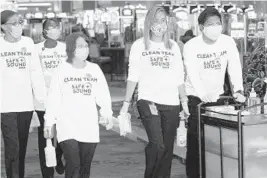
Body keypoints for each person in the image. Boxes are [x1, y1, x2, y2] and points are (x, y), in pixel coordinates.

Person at [119, 5, 189, 178]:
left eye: (163, 21)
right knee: (158, 145)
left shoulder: (173, 46)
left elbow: (179, 76)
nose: (160, 24)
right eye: (156, 20)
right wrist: (125, 104)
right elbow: (133, 75)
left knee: (167, 150)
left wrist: (184, 102)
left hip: (172, 103)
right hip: (148, 100)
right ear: (149, 22)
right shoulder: (139, 45)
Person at [183, 7, 246, 178]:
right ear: (201, 27)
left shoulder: (227, 42)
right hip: (197, 98)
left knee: (217, 140)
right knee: (196, 141)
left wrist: (238, 89)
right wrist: (202, 94)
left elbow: (234, 66)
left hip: (218, 98)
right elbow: (192, 73)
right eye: (210, 24)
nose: (215, 27)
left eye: (218, 23)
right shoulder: (191, 46)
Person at [43, 32, 113, 178]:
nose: (84, 49)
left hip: (89, 126)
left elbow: (103, 95)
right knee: (73, 164)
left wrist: (107, 113)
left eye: (86, 45)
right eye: (80, 46)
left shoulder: (94, 69)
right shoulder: (61, 69)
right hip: (67, 125)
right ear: (71, 48)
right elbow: (54, 98)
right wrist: (49, 122)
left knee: (84, 168)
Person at [0, 10, 46, 178]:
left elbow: (35, 72)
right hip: (6, 106)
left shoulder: (28, 43)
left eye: (20, 22)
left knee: (22, 147)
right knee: (13, 148)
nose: (18, 26)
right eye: (14, 23)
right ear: (3, 27)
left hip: (25, 105)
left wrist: (42, 98)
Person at [34, 18, 66, 177]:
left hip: (62, 100)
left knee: (60, 135)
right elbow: (33, 72)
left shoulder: (65, 48)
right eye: (51, 27)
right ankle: (47, 173)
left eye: (57, 27)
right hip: (43, 101)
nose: (55, 29)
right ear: (45, 31)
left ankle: (58, 157)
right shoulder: (36, 49)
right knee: (45, 138)